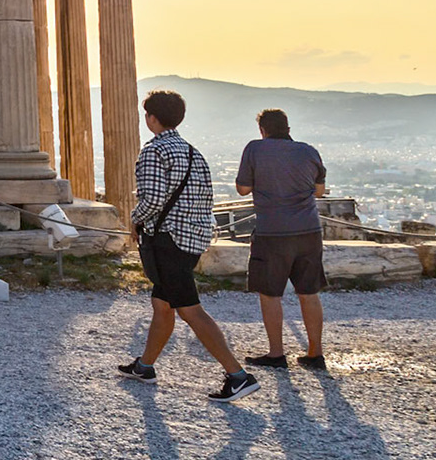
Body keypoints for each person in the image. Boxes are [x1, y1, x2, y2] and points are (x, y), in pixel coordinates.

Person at [118, 89, 259, 402]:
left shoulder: (154, 151)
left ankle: (238, 376)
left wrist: (134, 219)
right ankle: (145, 366)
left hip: (168, 240)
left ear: (151, 118)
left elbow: (152, 199)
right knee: (162, 304)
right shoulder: (193, 152)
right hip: (193, 238)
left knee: (190, 310)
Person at [237, 108, 330, 371]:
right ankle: (315, 353)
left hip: (272, 232)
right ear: (288, 128)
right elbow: (319, 192)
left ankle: (276, 353)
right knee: (309, 293)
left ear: (262, 130)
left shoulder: (255, 149)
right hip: (309, 230)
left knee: (270, 294)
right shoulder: (309, 151)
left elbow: (243, 188)